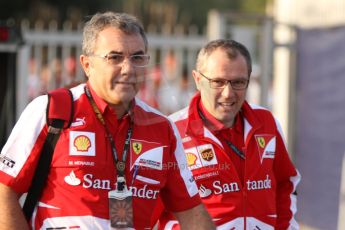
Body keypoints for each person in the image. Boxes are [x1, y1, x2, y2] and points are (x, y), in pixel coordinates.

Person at [0, 12, 215, 230]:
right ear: (87, 64)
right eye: (115, 57)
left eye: (137, 58)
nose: (128, 69)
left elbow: (191, 211)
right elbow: (4, 193)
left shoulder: (161, 127)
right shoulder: (51, 110)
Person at [158, 39, 301, 229]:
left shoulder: (266, 122)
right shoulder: (172, 131)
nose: (228, 93)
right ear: (197, 80)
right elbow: (150, 205)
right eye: (218, 82)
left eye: (238, 82)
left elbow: (285, 183)